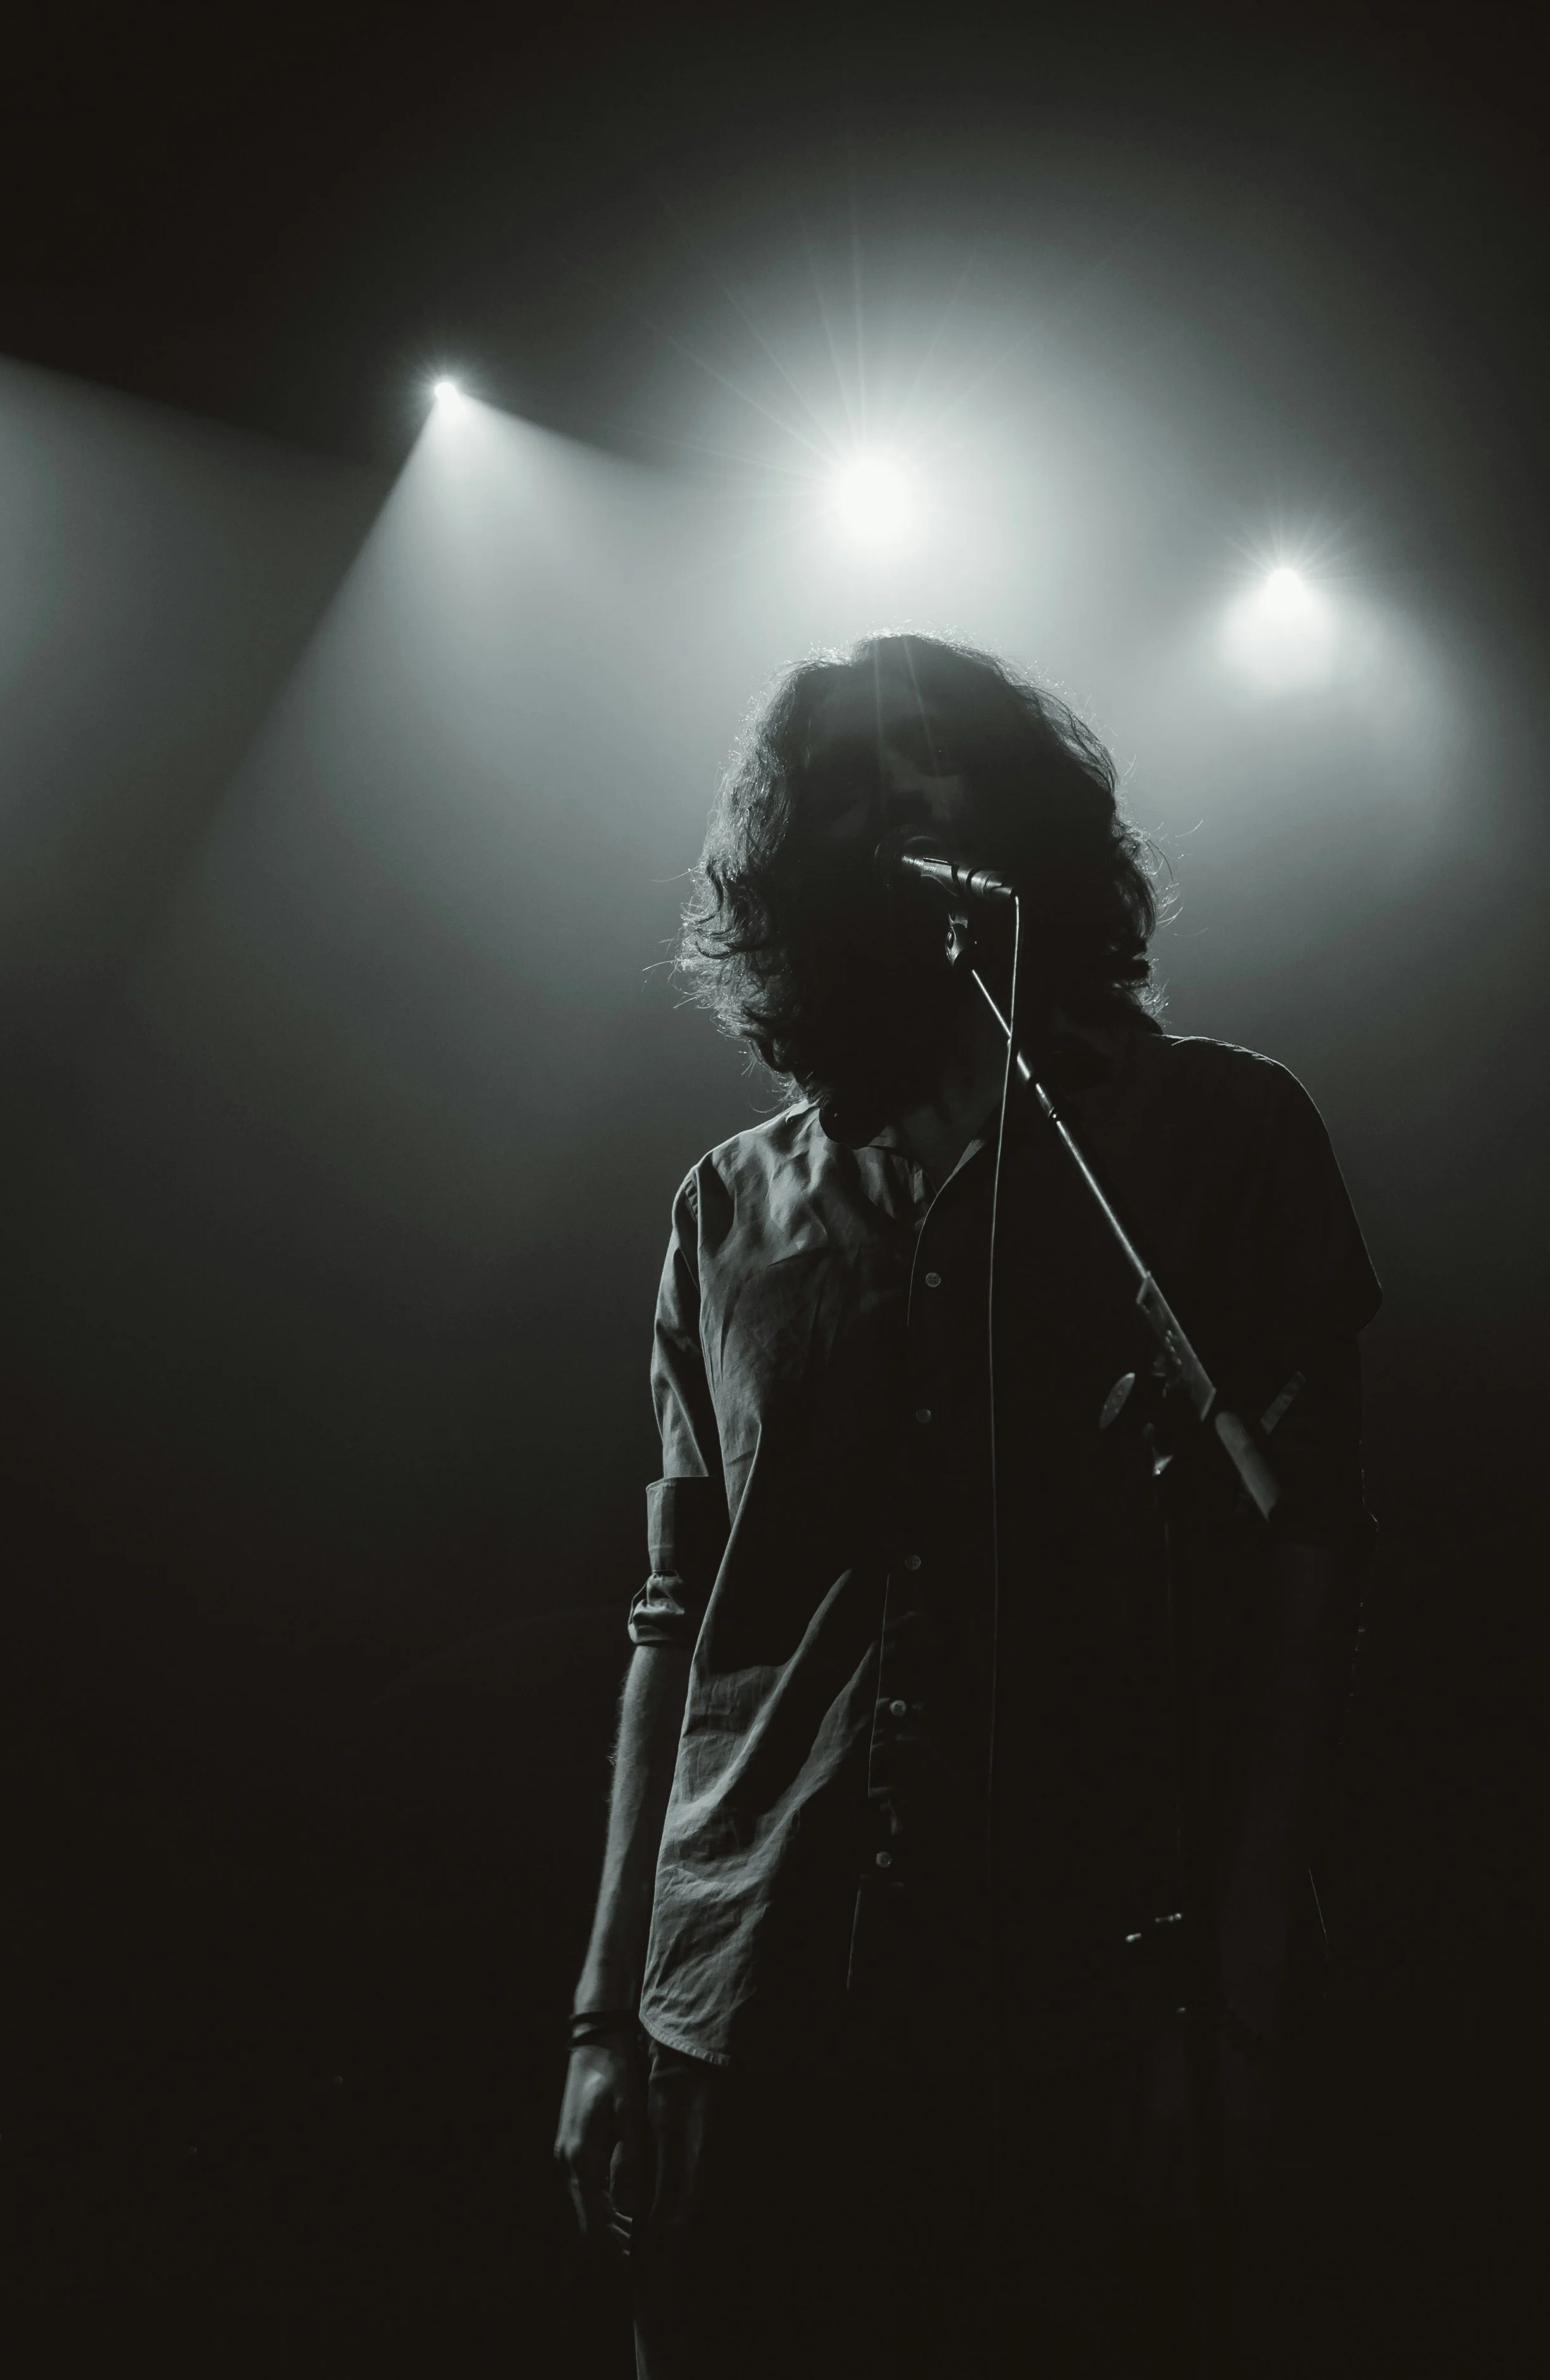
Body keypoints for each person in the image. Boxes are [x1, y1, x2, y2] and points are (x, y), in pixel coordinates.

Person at [554, 633, 1381, 2377]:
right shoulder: (725, 1209)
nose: (902, 794)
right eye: (846, 773)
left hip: (1077, 2013)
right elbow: (674, 1630)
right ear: (788, 854)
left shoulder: (1218, 1137)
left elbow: (1301, 1580)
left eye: (938, 753)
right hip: (750, 2005)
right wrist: (606, 2012)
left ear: (1028, 811)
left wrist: (1232, 2003)